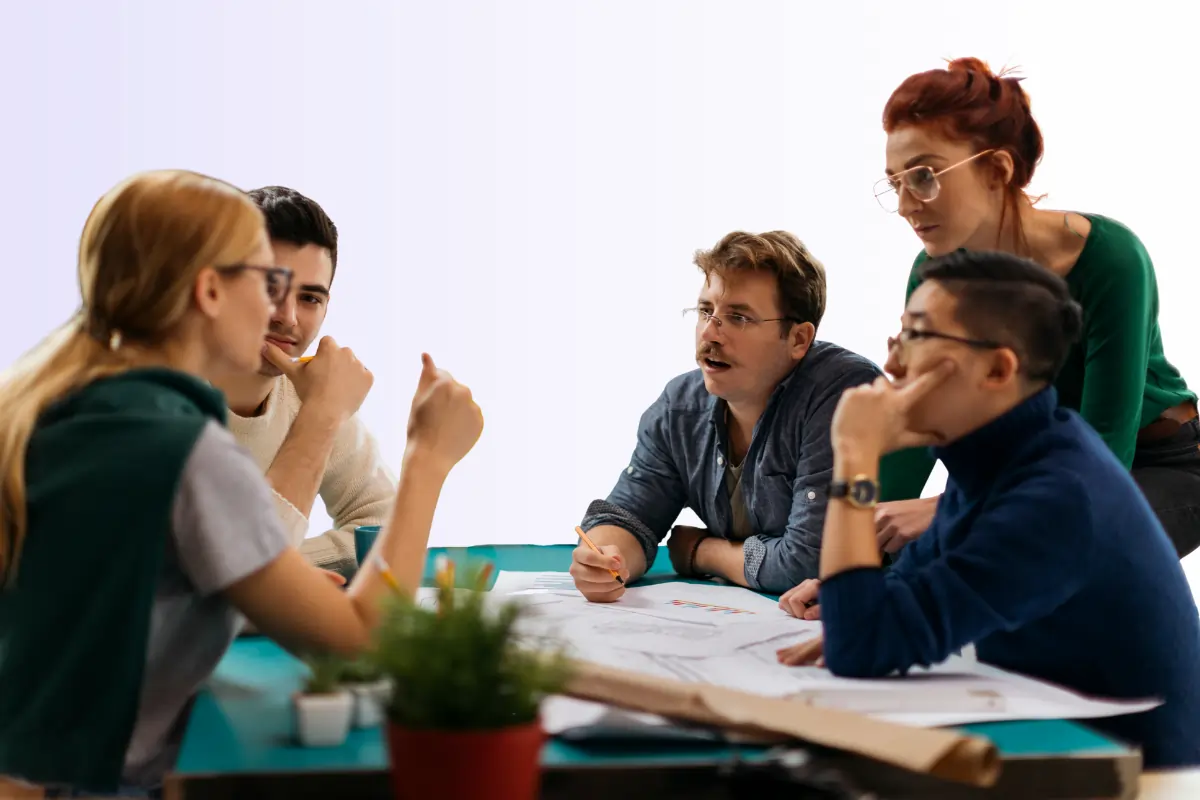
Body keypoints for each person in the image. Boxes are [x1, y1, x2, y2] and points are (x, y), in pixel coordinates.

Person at [0, 170, 483, 796]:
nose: (280, 313)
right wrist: (429, 460)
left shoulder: (72, 405)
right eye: (265, 280)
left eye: (306, 295)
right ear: (209, 291)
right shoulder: (184, 450)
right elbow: (362, 644)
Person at [775, 250, 1200, 768]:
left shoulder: (1056, 497)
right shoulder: (1000, 453)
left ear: (998, 368)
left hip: (1141, 776)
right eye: (898, 335)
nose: (892, 364)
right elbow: (905, 590)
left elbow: (860, 649)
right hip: (1059, 747)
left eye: (918, 336)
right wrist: (855, 593)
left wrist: (854, 457)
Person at [869, 57, 1200, 560]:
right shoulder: (933, 274)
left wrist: (949, 509)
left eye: (924, 177)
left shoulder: (1111, 260)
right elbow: (920, 425)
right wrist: (856, 559)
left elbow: (1103, 457)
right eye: (895, 183)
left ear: (997, 169)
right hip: (1032, 470)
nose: (905, 204)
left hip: (1158, 463)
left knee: (1059, 543)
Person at [569, 230, 925, 599]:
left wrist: (701, 552)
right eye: (706, 310)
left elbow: (810, 562)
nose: (710, 333)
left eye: (737, 317)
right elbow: (630, 517)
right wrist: (605, 558)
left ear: (799, 340)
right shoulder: (680, 406)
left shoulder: (842, 392)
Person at [213, 186, 393, 579]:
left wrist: (286, 575)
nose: (288, 318)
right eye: (268, 289)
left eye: (310, 298)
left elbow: (386, 522)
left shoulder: (308, 393)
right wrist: (281, 582)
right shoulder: (155, 402)